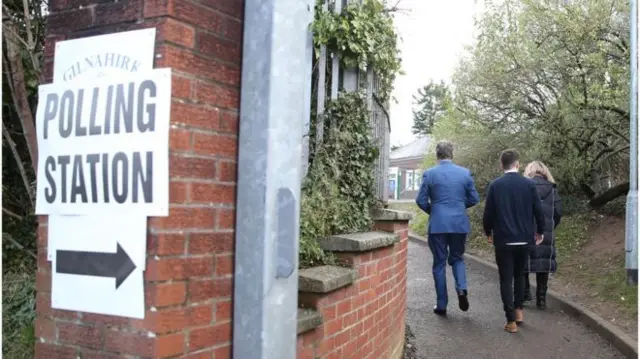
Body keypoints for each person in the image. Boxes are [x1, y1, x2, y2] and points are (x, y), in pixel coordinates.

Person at [482, 149, 545, 333]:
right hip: (524, 239)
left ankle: (510, 321)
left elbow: (489, 213)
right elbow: (538, 211)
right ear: (518, 164)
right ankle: (518, 311)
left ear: (502, 165)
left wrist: (488, 231)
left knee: (505, 279)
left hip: (503, 240)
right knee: (519, 276)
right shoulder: (529, 184)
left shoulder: (495, 185)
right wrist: (539, 231)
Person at [416, 141, 480, 316]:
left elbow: (420, 200)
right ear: (452, 154)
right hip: (459, 223)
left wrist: (435, 211)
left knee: (439, 263)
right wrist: (458, 207)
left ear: (437, 155)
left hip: (438, 224)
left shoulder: (429, 174)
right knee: (458, 258)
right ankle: (461, 289)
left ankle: (442, 305)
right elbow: (474, 198)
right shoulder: (465, 173)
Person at [522, 161, 563, 310]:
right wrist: (550, 226)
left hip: (527, 231)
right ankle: (541, 299)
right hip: (545, 231)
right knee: (543, 264)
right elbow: (558, 212)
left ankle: (525, 294)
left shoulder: (524, 187)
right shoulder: (552, 190)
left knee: (524, 262)